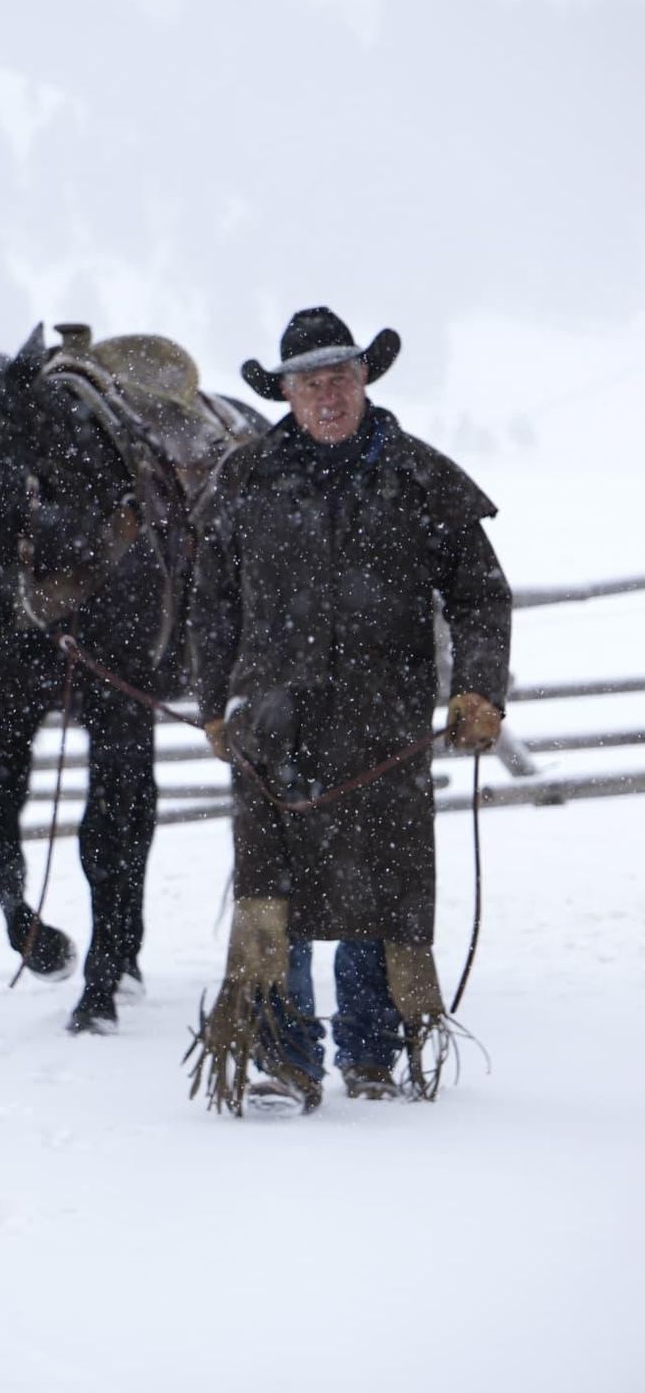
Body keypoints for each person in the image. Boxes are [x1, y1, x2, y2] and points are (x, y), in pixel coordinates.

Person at [187, 307, 512, 1113]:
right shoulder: (246, 479)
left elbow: (480, 593)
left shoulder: (420, 477)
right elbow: (211, 603)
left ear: (364, 379)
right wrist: (212, 703)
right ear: (286, 394)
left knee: (381, 888)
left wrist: (478, 688)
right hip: (270, 720)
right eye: (308, 383)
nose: (326, 396)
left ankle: (372, 1056)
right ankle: (286, 1062)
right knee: (273, 895)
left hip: (383, 724)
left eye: (339, 378)